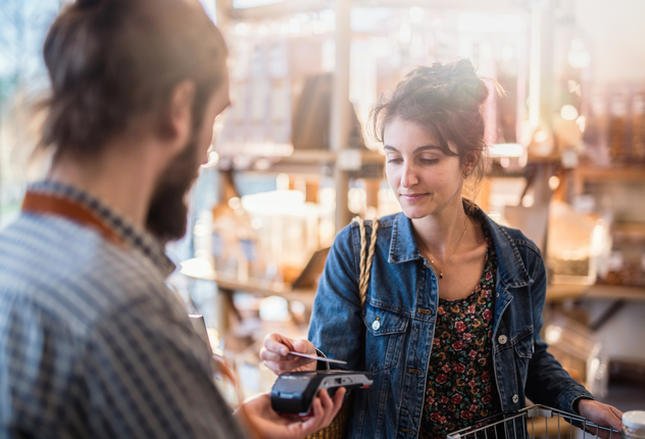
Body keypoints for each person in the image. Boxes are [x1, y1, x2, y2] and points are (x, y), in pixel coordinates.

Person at [0, 0, 345, 437]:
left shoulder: (14, 253)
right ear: (179, 109)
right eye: (214, 118)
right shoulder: (129, 311)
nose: (207, 153)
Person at [261, 60, 623, 438]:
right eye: (394, 158)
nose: (406, 178)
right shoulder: (357, 250)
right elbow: (337, 370)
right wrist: (304, 362)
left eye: (428, 159)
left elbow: (529, 360)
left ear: (467, 160)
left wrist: (580, 403)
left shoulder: (519, 260)